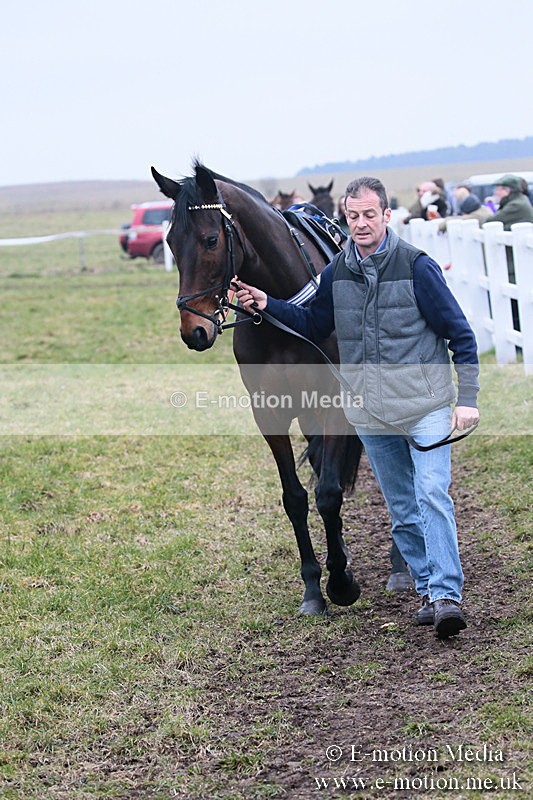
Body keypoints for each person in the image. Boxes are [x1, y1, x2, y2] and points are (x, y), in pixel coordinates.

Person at [235, 176, 480, 639]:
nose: (362, 223)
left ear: (386, 215)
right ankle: (428, 590)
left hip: (425, 404)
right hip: (369, 412)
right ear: (344, 219)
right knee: (403, 506)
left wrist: (466, 399)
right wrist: (268, 302)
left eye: (370, 214)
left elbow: (460, 335)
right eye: (354, 216)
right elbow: (312, 320)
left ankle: (447, 594)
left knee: (431, 494)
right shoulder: (337, 272)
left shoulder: (417, 267)